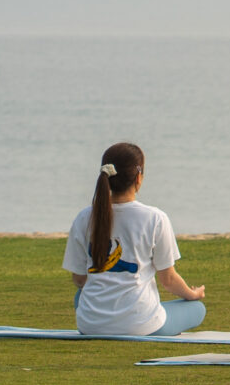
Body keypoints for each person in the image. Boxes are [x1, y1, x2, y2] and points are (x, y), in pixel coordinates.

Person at [62, 142, 206, 336]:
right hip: (141, 325)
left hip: (90, 325)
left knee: (81, 295)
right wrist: (193, 294)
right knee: (198, 309)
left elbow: (80, 279)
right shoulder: (155, 218)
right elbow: (169, 280)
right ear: (138, 177)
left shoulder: (83, 218)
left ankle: (109, 318)